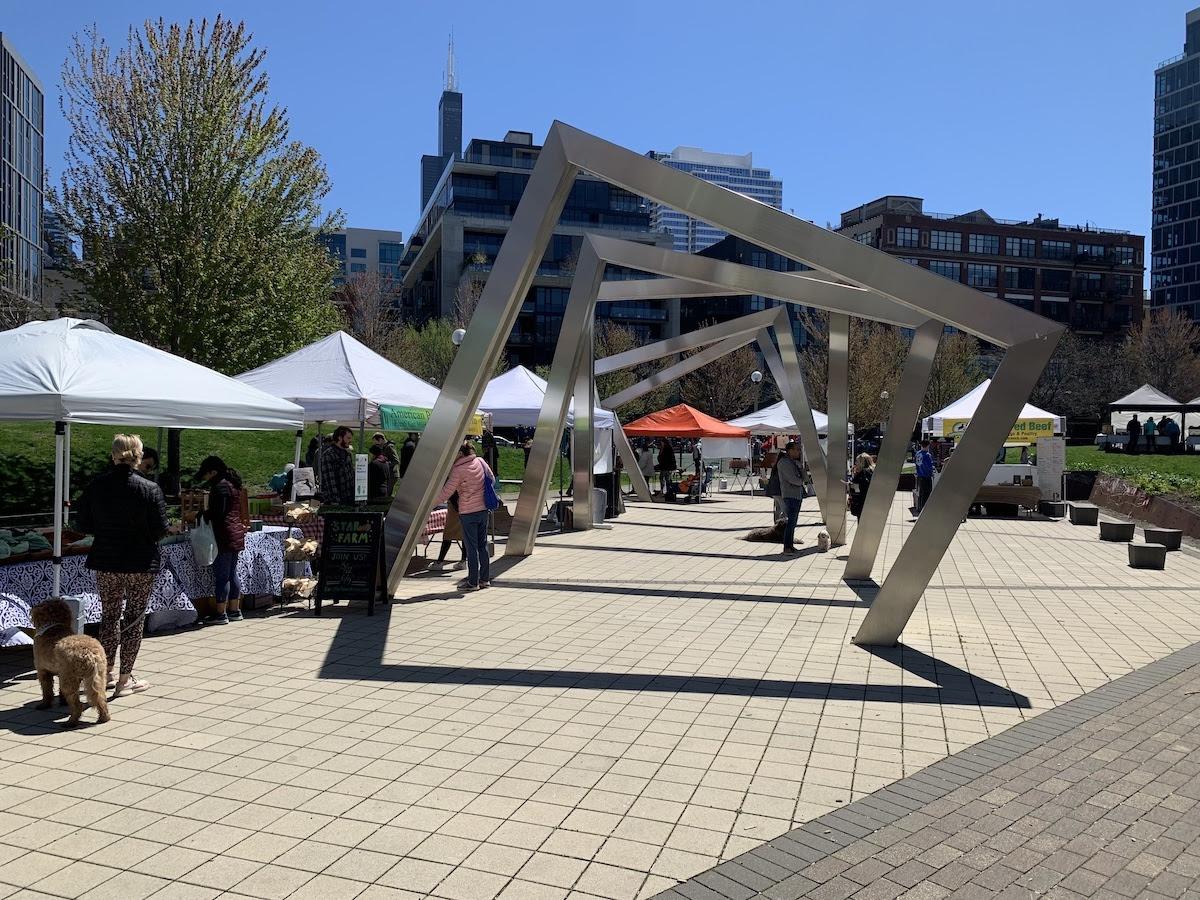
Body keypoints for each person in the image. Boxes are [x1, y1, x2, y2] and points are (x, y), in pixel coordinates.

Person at [76, 434, 168, 696]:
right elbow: (160, 530)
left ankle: (105, 674)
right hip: (140, 561)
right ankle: (125, 679)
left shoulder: (97, 486)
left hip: (107, 560)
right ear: (139, 456)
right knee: (135, 618)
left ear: (113, 455)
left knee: (109, 618)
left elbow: (81, 523)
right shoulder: (149, 489)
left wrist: (105, 530)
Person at [435, 441, 495, 591]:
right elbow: (492, 479)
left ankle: (472, 582)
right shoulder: (480, 461)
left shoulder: (458, 470)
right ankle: (485, 579)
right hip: (483, 510)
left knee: (471, 547)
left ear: (460, 453)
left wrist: (430, 502)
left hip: (468, 512)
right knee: (483, 545)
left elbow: (447, 492)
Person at [196, 456, 246, 626]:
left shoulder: (220, 487)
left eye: (206, 474)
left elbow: (218, 513)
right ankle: (234, 610)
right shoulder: (233, 484)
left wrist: (201, 514)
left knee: (222, 576)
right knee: (232, 574)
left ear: (213, 472)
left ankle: (220, 613)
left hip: (224, 535)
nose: (205, 478)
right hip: (236, 533)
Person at [776, 441, 806, 552]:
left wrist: (801, 468)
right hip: (790, 495)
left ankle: (790, 545)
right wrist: (801, 481)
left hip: (797, 495)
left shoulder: (794, 462)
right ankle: (787, 546)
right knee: (790, 522)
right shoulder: (784, 463)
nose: (799, 452)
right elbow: (792, 479)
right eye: (797, 449)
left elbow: (804, 477)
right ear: (790, 451)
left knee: (793, 522)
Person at [319, 426, 355, 505]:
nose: (350, 441)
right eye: (348, 438)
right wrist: (336, 501)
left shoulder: (348, 454)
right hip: (335, 501)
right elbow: (330, 480)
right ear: (339, 438)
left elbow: (351, 475)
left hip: (349, 499)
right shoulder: (328, 455)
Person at [848, 453, 874, 519]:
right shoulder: (872, 471)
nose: (855, 463)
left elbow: (857, 489)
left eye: (857, 461)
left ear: (861, 462)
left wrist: (851, 484)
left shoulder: (862, 473)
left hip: (861, 504)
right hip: (871, 503)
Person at [915, 439, 935, 514]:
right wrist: (932, 472)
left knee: (921, 493)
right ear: (928, 446)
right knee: (927, 493)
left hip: (920, 475)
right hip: (926, 476)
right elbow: (929, 467)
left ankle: (920, 508)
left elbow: (916, 464)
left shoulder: (917, 454)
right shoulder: (927, 455)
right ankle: (925, 510)